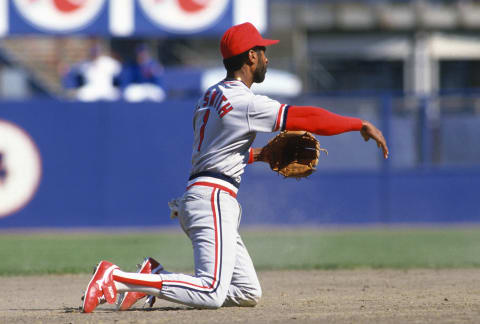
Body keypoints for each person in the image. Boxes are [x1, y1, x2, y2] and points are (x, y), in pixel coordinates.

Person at [81, 22, 389, 313]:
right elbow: (307, 118)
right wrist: (357, 123)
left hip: (202, 194)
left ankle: (152, 279)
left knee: (245, 292)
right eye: (263, 51)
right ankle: (117, 278)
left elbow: (218, 154)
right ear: (251, 57)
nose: (267, 57)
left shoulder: (211, 95)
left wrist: (259, 156)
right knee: (212, 292)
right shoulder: (245, 102)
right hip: (212, 200)